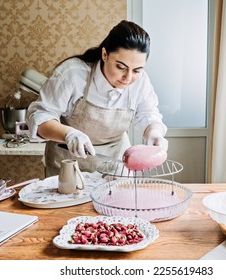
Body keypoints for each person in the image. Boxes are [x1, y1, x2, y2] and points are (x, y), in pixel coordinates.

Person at [27, 20, 168, 176]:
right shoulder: (73, 73)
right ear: (104, 54)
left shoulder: (140, 82)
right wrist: (69, 134)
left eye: (137, 70)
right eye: (121, 67)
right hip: (67, 167)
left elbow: (149, 115)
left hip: (115, 167)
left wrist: (155, 133)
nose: (128, 77)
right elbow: (39, 117)